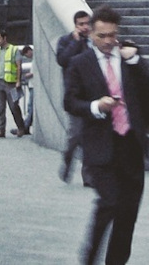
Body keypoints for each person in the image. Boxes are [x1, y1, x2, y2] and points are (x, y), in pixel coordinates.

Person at [64, 5, 149, 265]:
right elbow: (70, 101)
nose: (108, 41)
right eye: (102, 36)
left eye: (112, 35)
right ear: (91, 34)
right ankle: (89, 258)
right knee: (110, 201)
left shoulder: (129, 58)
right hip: (101, 148)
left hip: (131, 147)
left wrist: (135, 61)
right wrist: (95, 106)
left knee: (128, 214)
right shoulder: (80, 64)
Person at [57, 10, 92, 183]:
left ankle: (88, 176)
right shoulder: (65, 41)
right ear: (75, 25)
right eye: (81, 24)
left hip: (92, 96)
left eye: (87, 23)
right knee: (76, 134)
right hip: (74, 96)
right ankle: (68, 158)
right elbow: (62, 60)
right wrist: (75, 43)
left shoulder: (93, 41)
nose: (85, 27)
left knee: (90, 137)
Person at [0, 30, 26, 138]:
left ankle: (21, 127)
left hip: (11, 83)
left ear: (5, 38)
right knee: (0, 108)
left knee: (14, 106)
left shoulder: (13, 50)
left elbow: (19, 66)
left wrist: (18, 81)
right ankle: (0, 130)